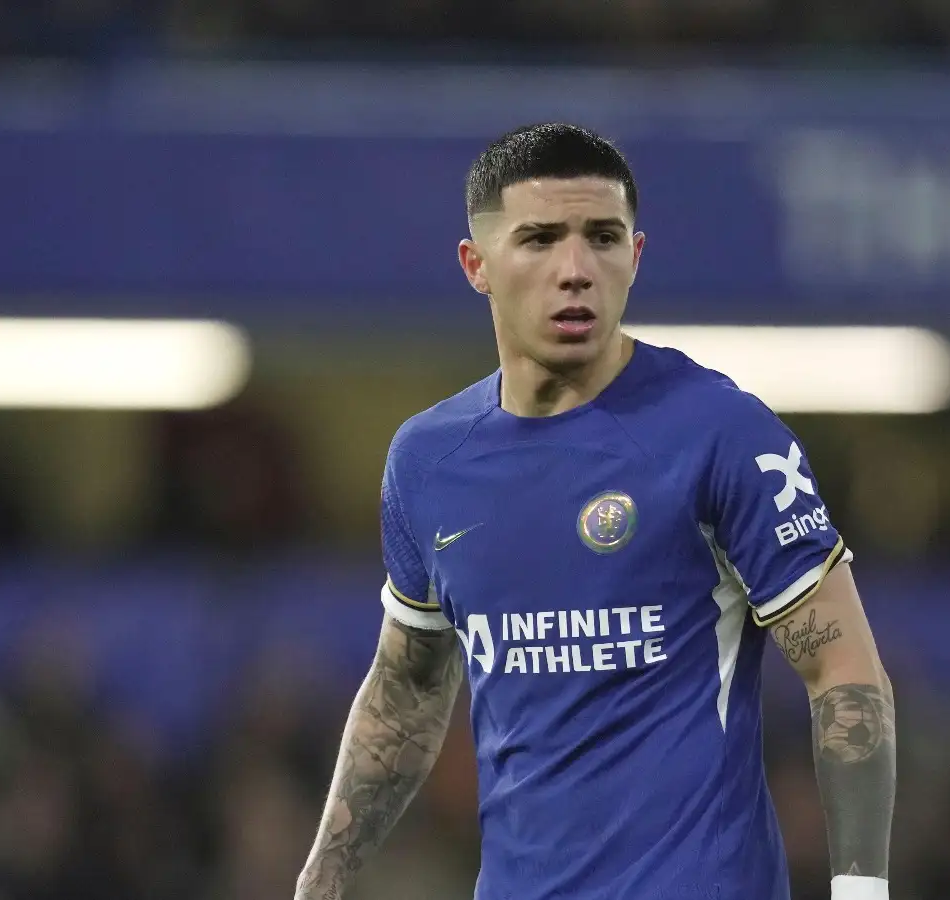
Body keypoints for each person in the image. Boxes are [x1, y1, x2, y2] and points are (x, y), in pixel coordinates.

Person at [294, 123, 896, 900]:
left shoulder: (720, 433)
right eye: (540, 239)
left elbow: (843, 668)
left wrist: (861, 893)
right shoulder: (427, 462)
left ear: (635, 256)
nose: (575, 270)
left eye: (602, 238)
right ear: (477, 266)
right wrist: (324, 875)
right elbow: (406, 687)